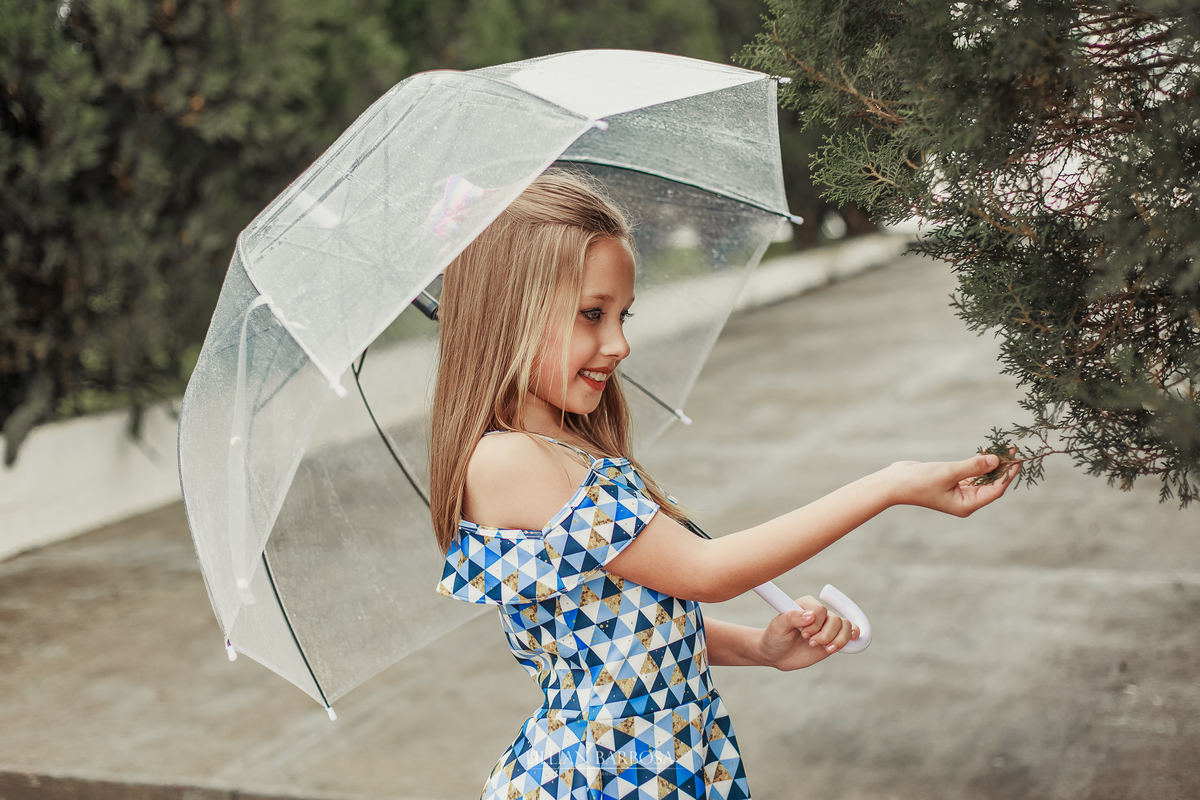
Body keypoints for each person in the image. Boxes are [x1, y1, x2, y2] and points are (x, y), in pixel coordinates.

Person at [430, 170, 1017, 800]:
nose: (619, 343)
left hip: (676, 758)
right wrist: (892, 484)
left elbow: (633, 637)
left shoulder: (570, 445)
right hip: (603, 776)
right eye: (592, 314)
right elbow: (705, 572)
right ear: (507, 312)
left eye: (623, 315)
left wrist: (761, 647)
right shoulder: (509, 461)